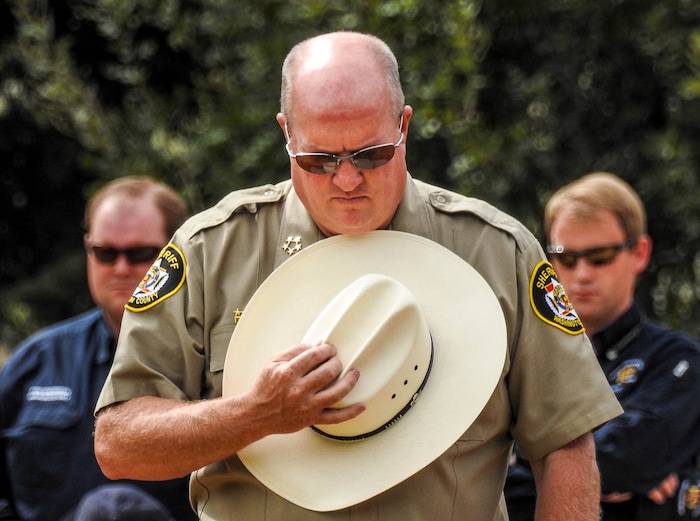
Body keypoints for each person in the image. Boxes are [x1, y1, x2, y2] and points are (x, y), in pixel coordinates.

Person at [93, 32, 622, 520]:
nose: (347, 179)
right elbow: (118, 444)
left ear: (404, 126)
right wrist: (253, 415)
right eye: (319, 158)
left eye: (371, 154)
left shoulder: (495, 251)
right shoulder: (213, 250)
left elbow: (565, 443)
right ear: (286, 134)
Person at [505, 172, 700, 520]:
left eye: (601, 256)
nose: (581, 274)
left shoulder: (677, 361)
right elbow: (489, 486)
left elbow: (626, 458)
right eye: (565, 257)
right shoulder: (523, 360)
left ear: (639, 253)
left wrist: (534, 456)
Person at [0, 176, 195, 520]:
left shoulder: (211, 362)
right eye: (105, 253)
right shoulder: (35, 363)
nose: (121, 268)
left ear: (177, 254)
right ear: (87, 248)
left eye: (140, 253)